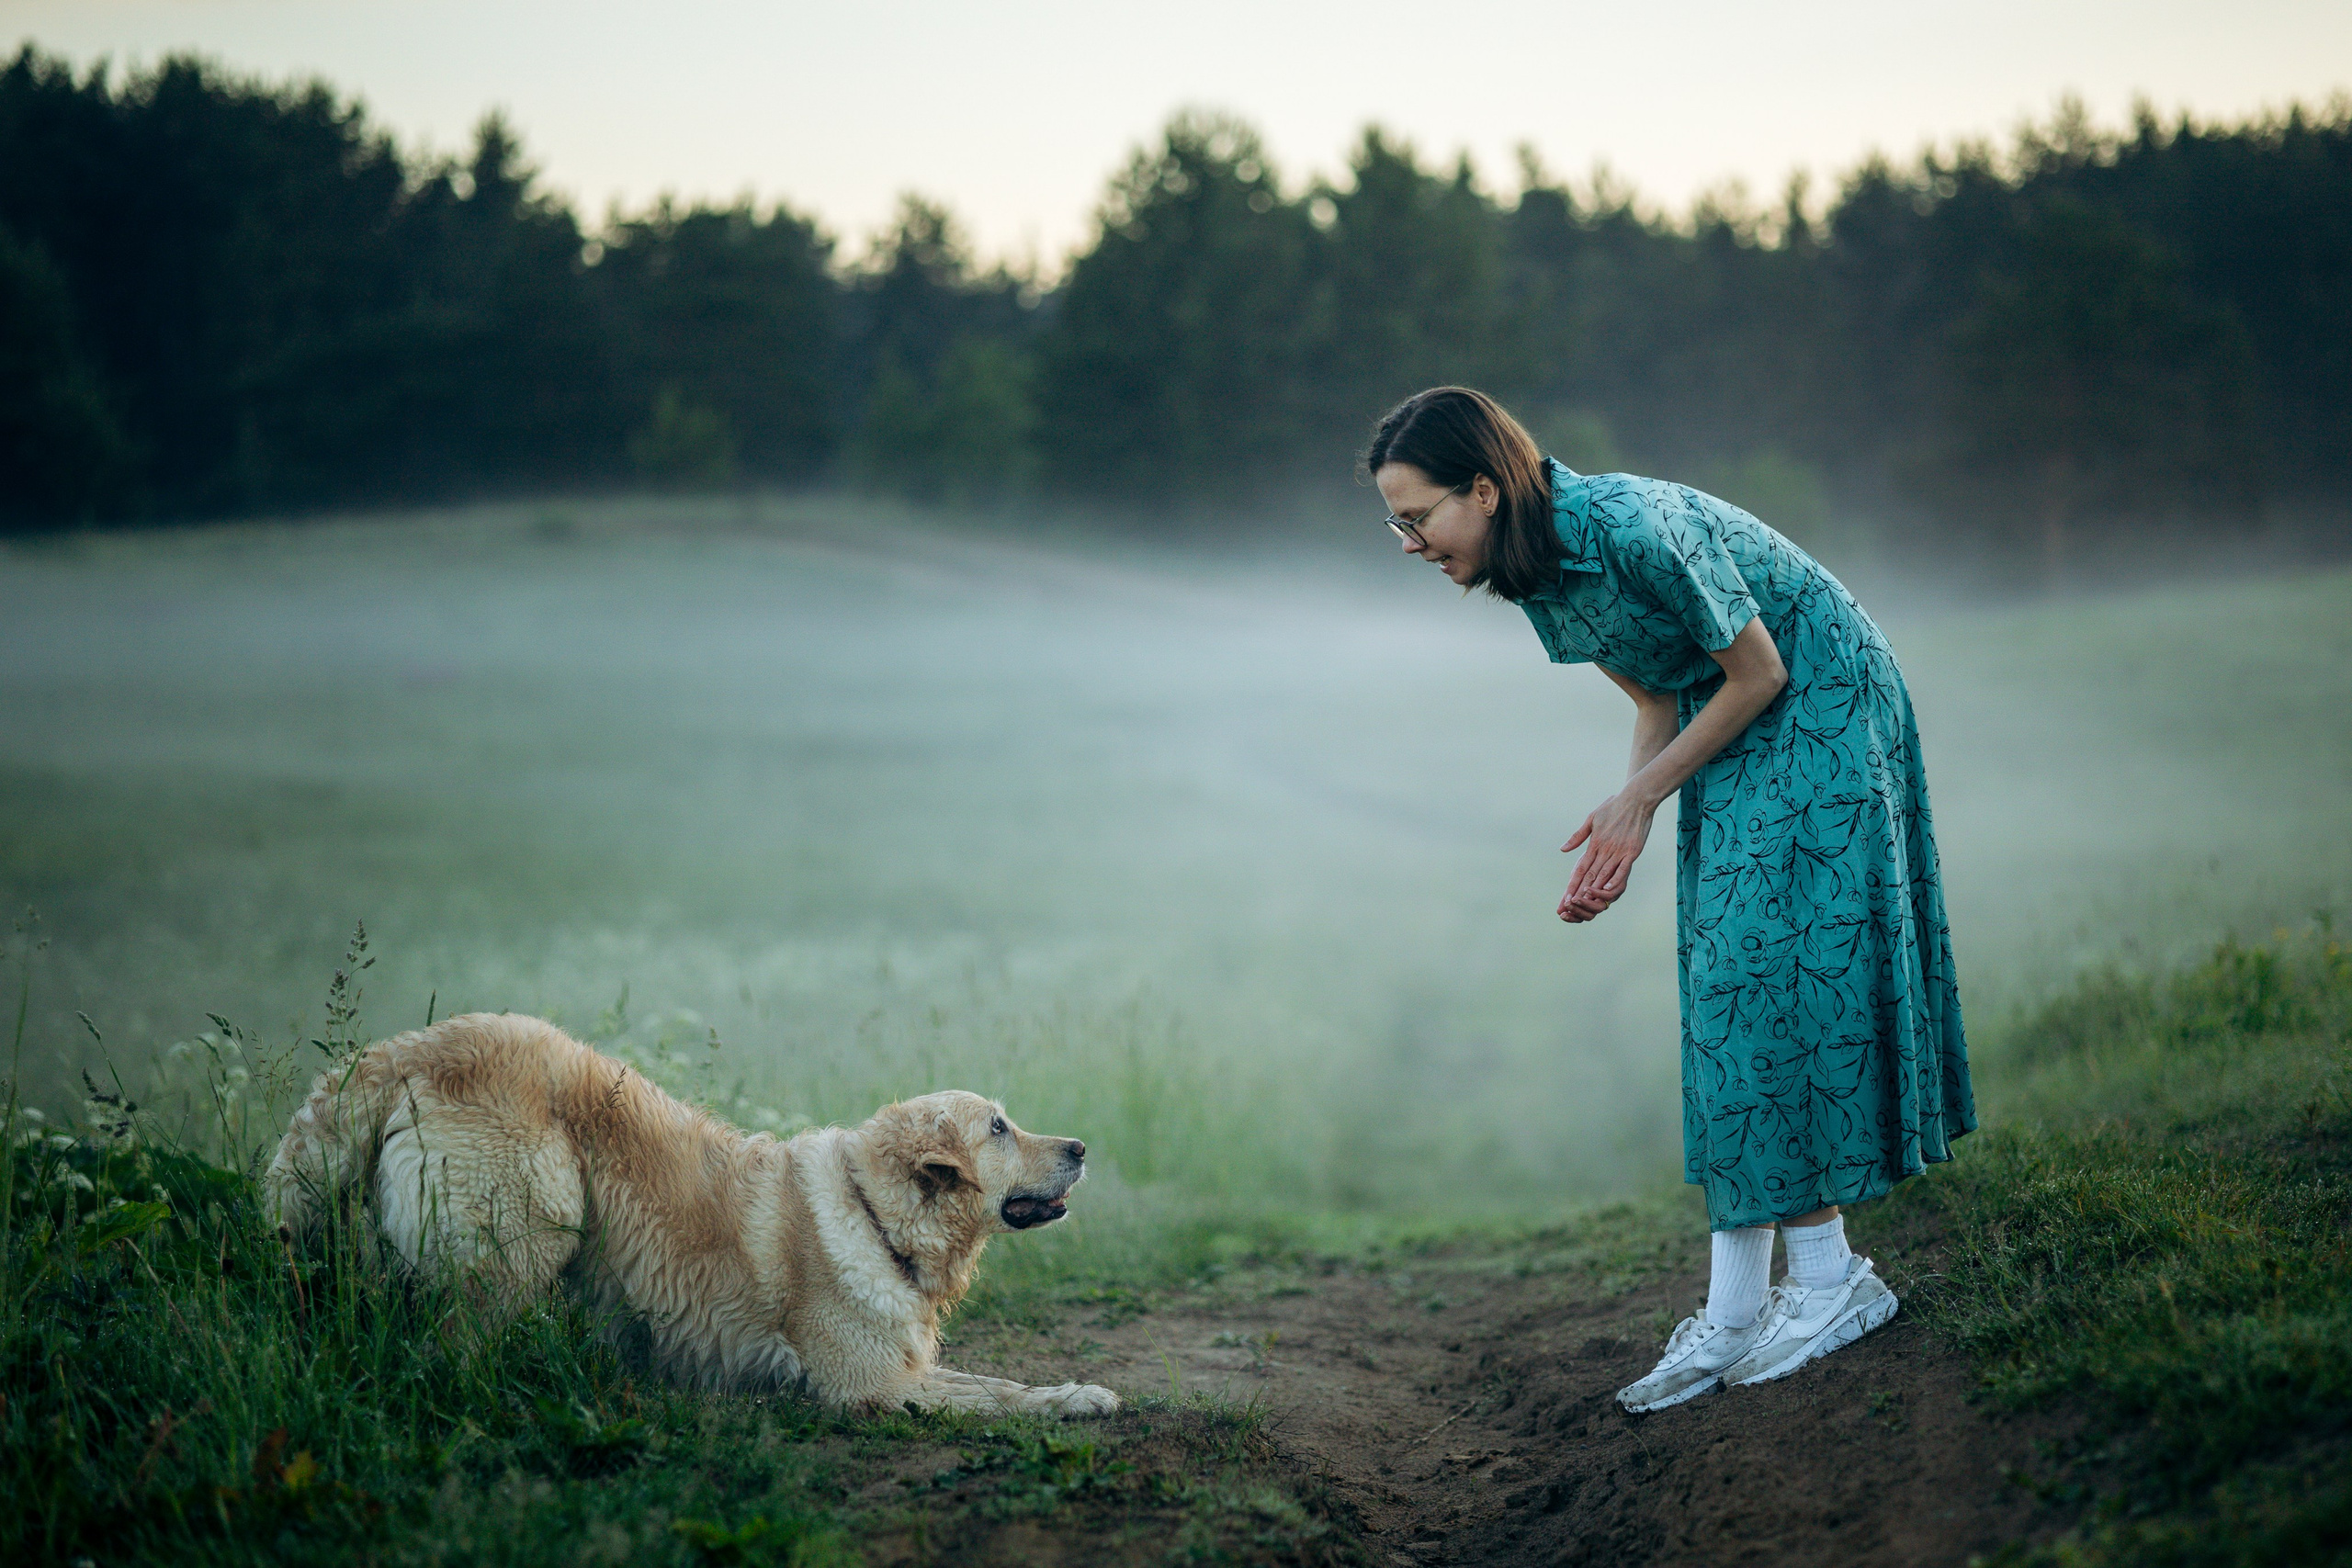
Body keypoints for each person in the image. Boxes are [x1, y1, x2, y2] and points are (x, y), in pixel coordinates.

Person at [1366, 387, 1975, 1414]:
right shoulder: (1530, 572)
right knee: (1722, 985)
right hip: (1732, 717)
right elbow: (1655, 693)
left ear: (1484, 488)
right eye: (1397, 526)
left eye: (1419, 517)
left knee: (1765, 972)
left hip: (1824, 698)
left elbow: (1759, 669)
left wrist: (1641, 799)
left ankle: (1831, 1280)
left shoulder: (1630, 525)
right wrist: (1624, 824)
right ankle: (1735, 1311)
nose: (1411, 544)